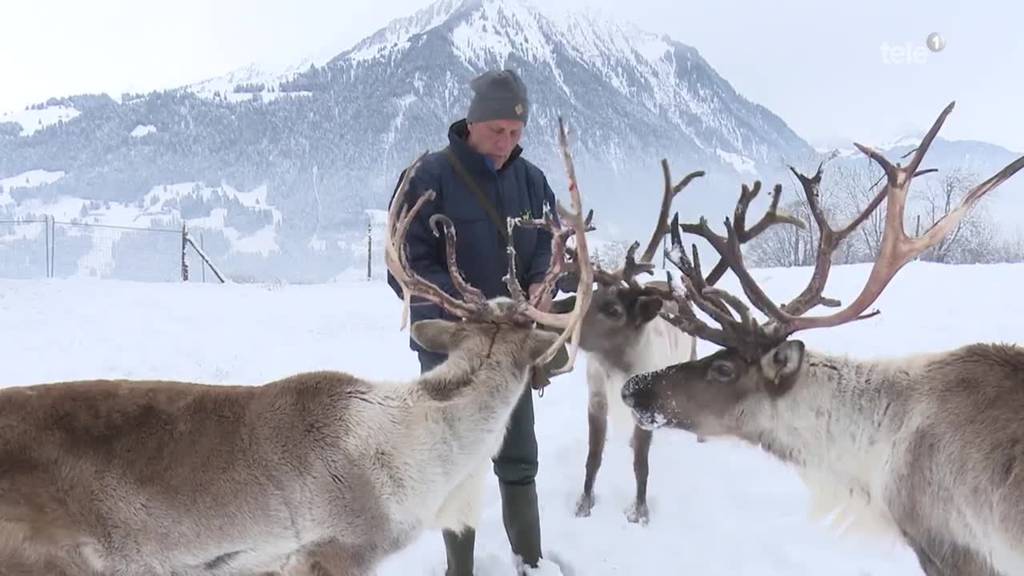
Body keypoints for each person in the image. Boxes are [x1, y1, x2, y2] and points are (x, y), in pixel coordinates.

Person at [386, 68, 563, 575]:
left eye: (515, 132)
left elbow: (550, 249)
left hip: (512, 350)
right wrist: (453, 310)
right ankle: (458, 570)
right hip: (452, 350)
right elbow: (406, 263)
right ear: (472, 122)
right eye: (496, 132)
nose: (506, 143)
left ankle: (529, 563)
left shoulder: (533, 183)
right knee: (455, 463)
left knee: (518, 455)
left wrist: (542, 289)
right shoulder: (427, 179)